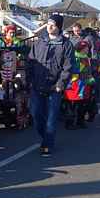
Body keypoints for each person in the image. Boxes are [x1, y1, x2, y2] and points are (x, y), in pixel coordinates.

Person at [27, 14, 73, 156]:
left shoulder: (66, 45)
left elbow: (68, 67)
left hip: (54, 88)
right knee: (36, 115)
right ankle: (45, 136)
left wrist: (60, 84)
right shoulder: (39, 41)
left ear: (59, 27)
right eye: (48, 24)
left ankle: (47, 144)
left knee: (51, 118)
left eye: (53, 24)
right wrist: (29, 79)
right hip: (37, 85)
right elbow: (31, 61)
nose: (49, 26)